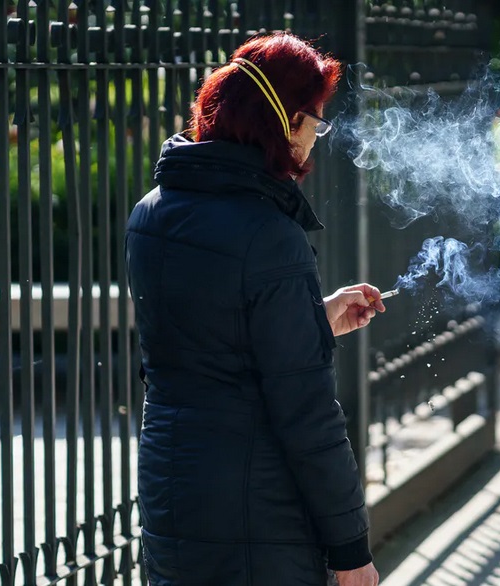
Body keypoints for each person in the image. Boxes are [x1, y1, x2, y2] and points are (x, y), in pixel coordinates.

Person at [126, 32, 383, 586]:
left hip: (173, 491)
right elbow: (306, 411)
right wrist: (351, 551)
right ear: (286, 122)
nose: (316, 137)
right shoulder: (271, 235)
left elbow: (212, 339)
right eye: (316, 121)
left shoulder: (150, 214)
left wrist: (315, 318)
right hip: (257, 510)